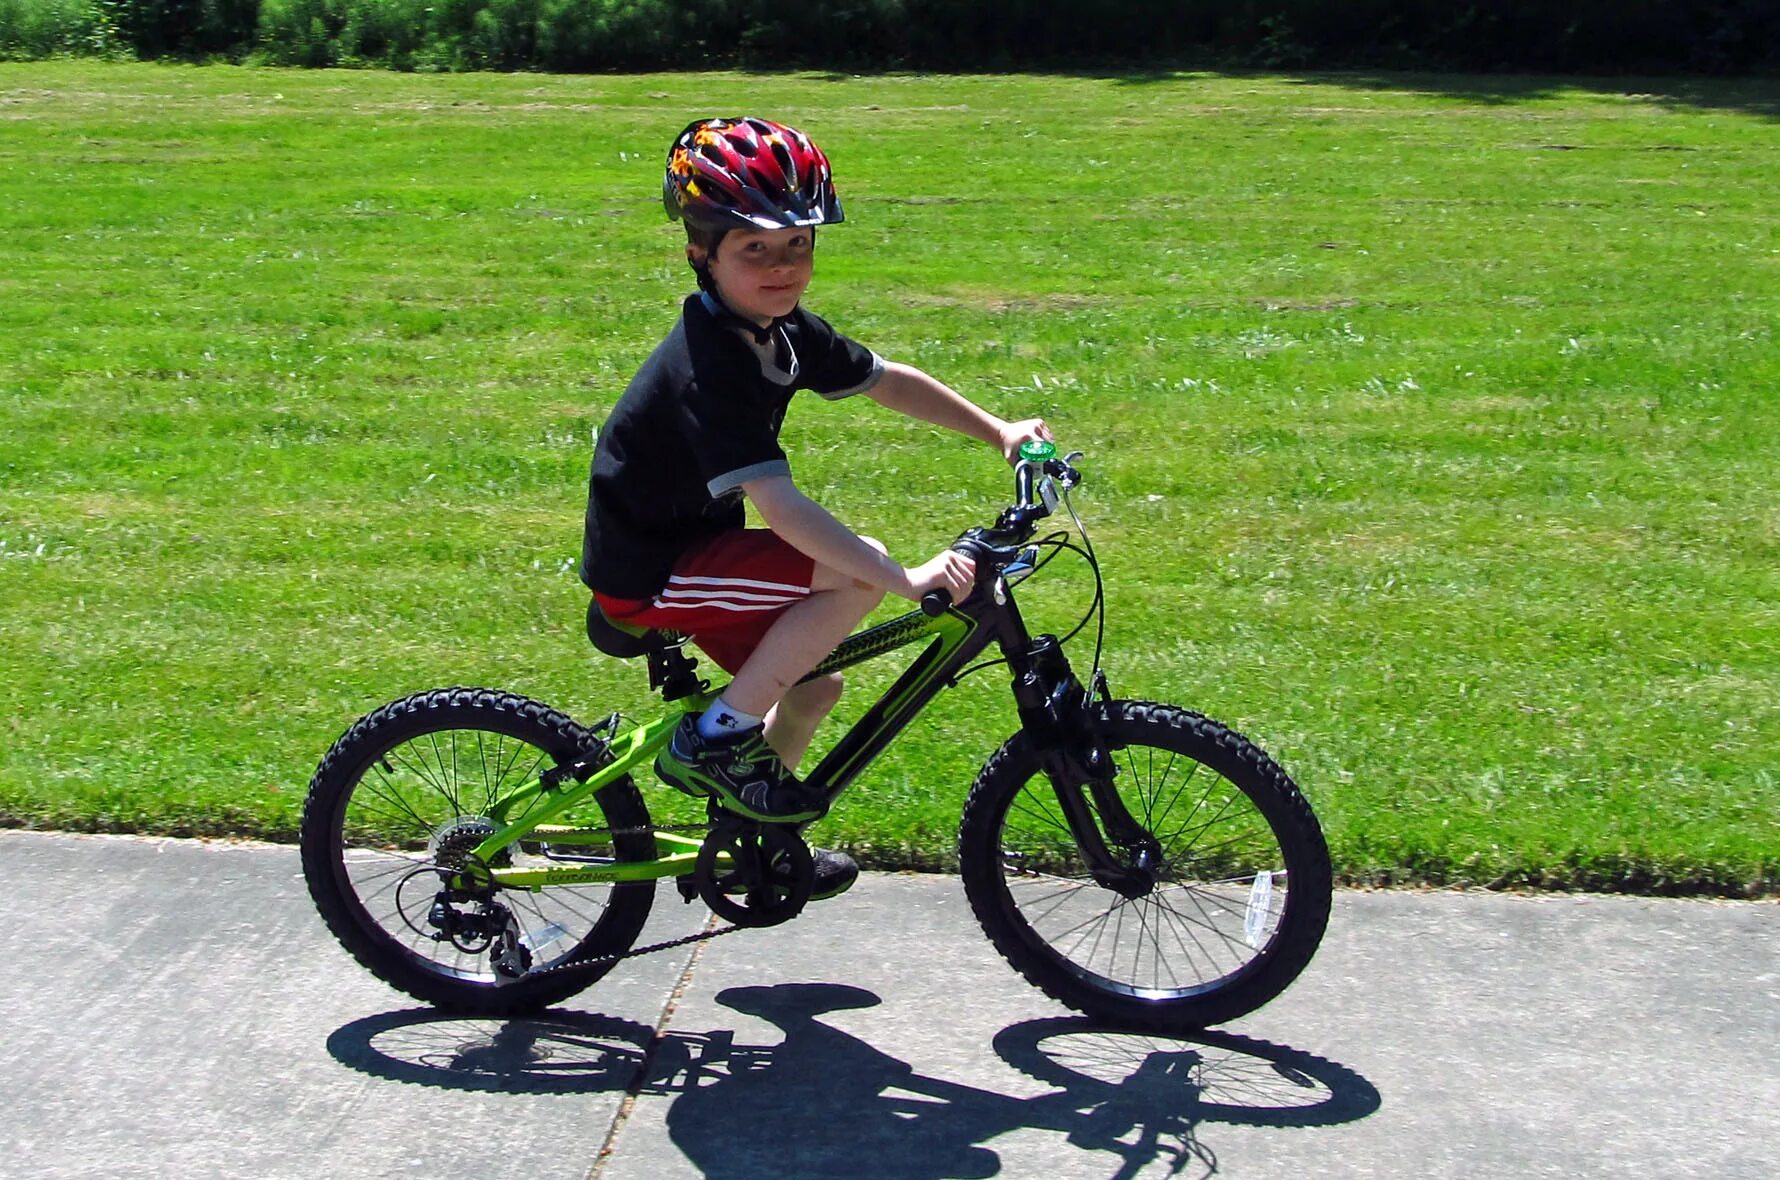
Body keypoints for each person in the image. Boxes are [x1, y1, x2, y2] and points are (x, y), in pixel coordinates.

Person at [579, 116, 1050, 896]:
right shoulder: (709, 366)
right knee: (852, 575)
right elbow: (782, 508)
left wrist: (998, 431)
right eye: (753, 249)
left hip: (701, 554)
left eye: (797, 243)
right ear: (701, 253)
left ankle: (755, 849)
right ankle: (713, 740)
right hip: (651, 573)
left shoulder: (778, 329)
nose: (782, 265)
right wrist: (907, 577)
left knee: (813, 689)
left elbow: (883, 379)